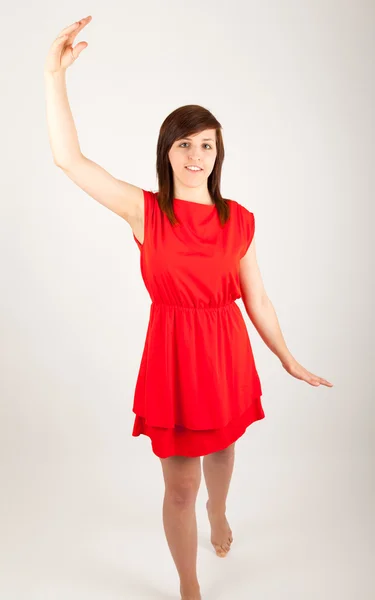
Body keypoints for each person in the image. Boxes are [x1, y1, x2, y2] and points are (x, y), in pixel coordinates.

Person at [44, 16, 334, 600]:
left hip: (224, 347)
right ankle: (189, 585)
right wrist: (54, 75)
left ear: (218, 152)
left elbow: (257, 297)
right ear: (168, 151)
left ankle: (220, 515)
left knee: (223, 448)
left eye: (207, 145)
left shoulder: (238, 219)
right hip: (173, 352)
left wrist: (287, 357)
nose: (196, 155)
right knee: (179, 486)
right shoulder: (144, 210)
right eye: (185, 144)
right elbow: (70, 161)